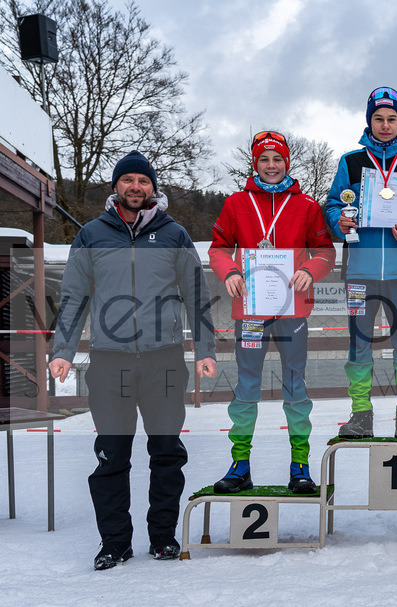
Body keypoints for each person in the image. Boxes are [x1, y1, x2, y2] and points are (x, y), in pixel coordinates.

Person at [49, 150, 217, 570]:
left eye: (143, 181)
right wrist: (63, 351)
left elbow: (197, 298)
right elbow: (73, 298)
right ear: (115, 187)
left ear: (153, 188)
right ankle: (115, 543)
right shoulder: (90, 235)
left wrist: (206, 350)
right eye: (129, 181)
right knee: (111, 456)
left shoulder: (175, 235)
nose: (136, 187)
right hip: (110, 363)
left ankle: (162, 538)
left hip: (163, 362)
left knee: (165, 453)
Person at [208, 131, 336, 495]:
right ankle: (240, 464)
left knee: (295, 384)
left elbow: (326, 252)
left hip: (292, 310)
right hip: (250, 308)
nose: (271, 166)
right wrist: (229, 271)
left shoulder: (307, 206)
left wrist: (311, 269)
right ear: (254, 164)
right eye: (264, 160)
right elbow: (218, 248)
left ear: (287, 163)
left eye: (277, 159)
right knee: (247, 385)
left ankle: (300, 465)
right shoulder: (235, 203)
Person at [324, 86, 397, 439]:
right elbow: (333, 205)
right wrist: (339, 222)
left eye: (392, 119)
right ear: (369, 121)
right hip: (359, 270)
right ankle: (361, 414)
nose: (386, 125)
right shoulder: (350, 162)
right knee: (359, 343)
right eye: (379, 118)